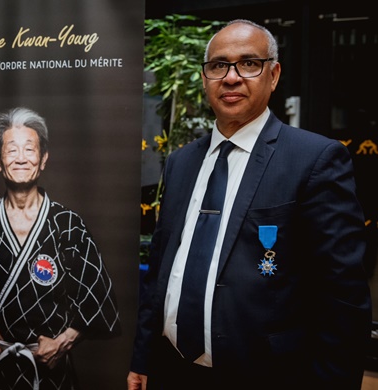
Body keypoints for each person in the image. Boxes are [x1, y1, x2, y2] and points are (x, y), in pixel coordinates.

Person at [127, 19, 372, 390]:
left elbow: (343, 298)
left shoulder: (315, 160)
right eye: (218, 65)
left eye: (249, 63)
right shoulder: (180, 163)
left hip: (267, 374)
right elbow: (163, 270)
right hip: (172, 368)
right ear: (205, 76)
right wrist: (142, 356)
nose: (231, 77)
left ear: (273, 75)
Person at [0, 106, 121, 389]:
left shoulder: (68, 224)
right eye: (11, 150)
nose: (21, 159)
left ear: (43, 160)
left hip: (50, 373)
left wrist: (62, 343)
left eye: (30, 150)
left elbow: (98, 296)